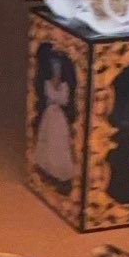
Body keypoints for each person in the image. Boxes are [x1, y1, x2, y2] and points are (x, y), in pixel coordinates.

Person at [32, 46, 75, 183]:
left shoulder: (64, 86)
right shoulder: (47, 84)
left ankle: (59, 171)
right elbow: (49, 97)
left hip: (59, 115)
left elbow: (64, 100)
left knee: (59, 141)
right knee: (48, 139)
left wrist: (57, 98)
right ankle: (47, 169)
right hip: (50, 114)